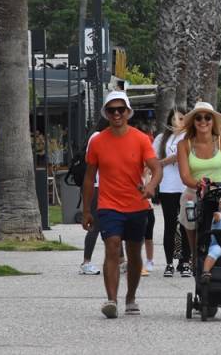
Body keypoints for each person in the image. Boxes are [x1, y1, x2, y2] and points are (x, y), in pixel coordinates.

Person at [82, 91, 161, 319]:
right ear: (106, 114)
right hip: (109, 205)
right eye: (111, 110)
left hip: (136, 204)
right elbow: (89, 178)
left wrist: (151, 187)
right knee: (113, 246)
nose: (116, 114)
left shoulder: (141, 139)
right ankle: (112, 300)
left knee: (135, 254)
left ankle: (131, 298)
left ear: (128, 112)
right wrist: (87, 210)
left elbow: (156, 168)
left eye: (120, 110)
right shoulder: (97, 141)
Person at [177, 102, 221, 274]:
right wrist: (198, 183)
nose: (203, 121)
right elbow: (185, 176)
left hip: (220, 193)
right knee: (190, 211)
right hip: (195, 191)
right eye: (198, 118)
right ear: (193, 121)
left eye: (207, 117)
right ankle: (196, 256)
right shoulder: (184, 144)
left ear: (213, 121)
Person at [80, 118, 126, 276]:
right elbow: (92, 163)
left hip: (113, 186)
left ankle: (121, 260)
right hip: (98, 187)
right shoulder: (97, 137)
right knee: (95, 225)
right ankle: (86, 262)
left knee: (117, 223)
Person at [152, 108, 191, 278]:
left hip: (185, 187)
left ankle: (185, 262)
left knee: (186, 226)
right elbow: (153, 159)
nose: (178, 122)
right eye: (175, 119)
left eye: (182, 118)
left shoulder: (190, 137)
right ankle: (169, 263)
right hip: (168, 187)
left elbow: (180, 156)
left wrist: (164, 161)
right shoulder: (162, 138)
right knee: (169, 226)